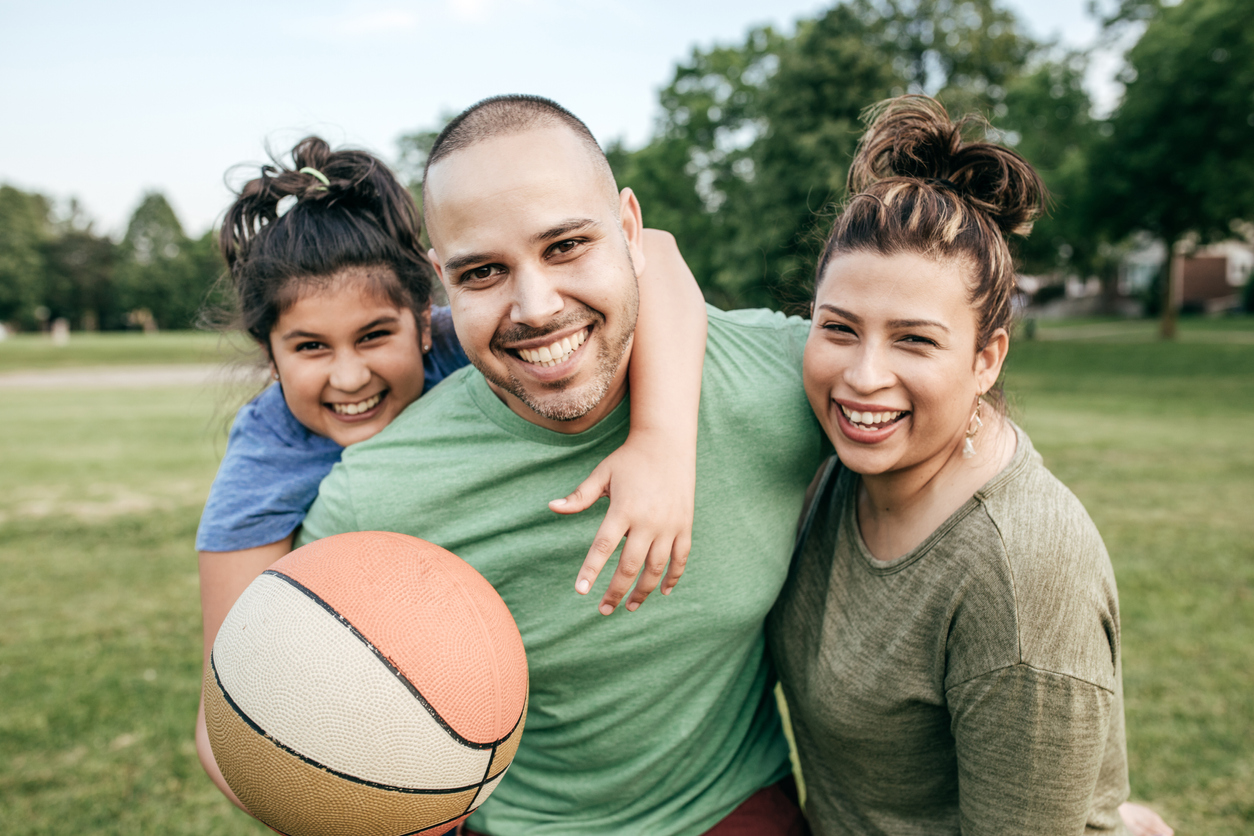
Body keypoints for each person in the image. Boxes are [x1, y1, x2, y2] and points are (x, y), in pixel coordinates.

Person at [299, 95, 827, 835]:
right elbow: (290, 713)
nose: (536, 305)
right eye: (482, 271)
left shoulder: (785, 380)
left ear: (631, 229)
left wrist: (666, 443)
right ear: (439, 280)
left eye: (567, 246)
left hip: (728, 808)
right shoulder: (377, 495)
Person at [193, 135, 713, 818]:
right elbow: (223, 714)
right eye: (310, 347)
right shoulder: (264, 459)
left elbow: (662, 253)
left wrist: (662, 445)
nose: (349, 376)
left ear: (423, 319)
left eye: (375, 335)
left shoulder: (475, 343)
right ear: (270, 355)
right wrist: (352, 811)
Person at [768, 95, 1148, 835]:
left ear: (986, 358)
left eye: (914, 340)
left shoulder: (1022, 575)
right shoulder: (833, 460)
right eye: (839, 328)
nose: (863, 377)